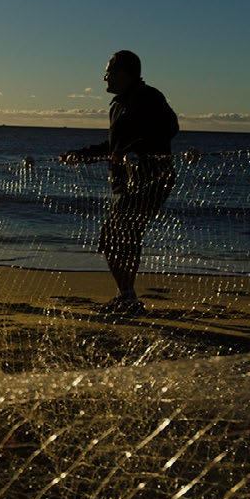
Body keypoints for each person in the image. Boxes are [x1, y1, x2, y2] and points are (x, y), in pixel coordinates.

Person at [61, 50, 179, 315]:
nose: (105, 77)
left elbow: (170, 128)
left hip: (151, 177)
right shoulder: (117, 105)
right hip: (124, 181)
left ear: (124, 73)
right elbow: (113, 147)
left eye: (109, 71)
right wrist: (82, 155)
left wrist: (136, 151)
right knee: (123, 237)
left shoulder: (149, 97)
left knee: (114, 236)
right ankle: (127, 295)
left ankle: (128, 296)